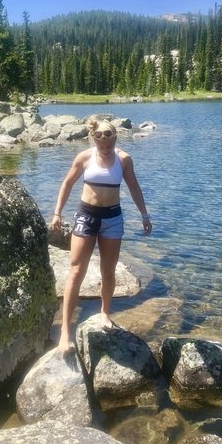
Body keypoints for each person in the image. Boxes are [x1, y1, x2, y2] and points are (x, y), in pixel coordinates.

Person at [50, 118, 152, 352]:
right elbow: (67, 183)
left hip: (112, 219)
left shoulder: (124, 159)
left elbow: (134, 187)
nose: (105, 150)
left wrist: (144, 215)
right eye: (101, 145)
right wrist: (57, 213)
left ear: (115, 139)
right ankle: (66, 330)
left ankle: (105, 313)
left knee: (109, 269)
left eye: (109, 145)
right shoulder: (84, 158)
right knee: (76, 270)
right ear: (93, 139)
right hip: (86, 216)